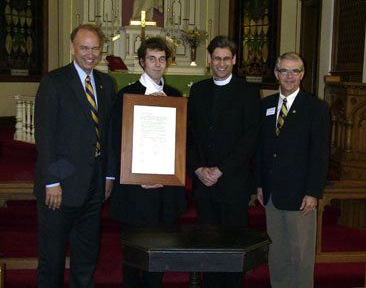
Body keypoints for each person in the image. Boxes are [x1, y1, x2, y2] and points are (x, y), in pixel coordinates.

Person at [34, 24, 116, 287]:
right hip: (59, 188)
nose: (90, 54)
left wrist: (109, 176)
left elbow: (109, 135)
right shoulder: (54, 82)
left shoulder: (105, 84)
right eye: (84, 47)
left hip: (93, 187)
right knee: (53, 260)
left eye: (95, 48)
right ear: (72, 48)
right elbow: (45, 135)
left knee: (86, 258)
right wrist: (52, 181)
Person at [108, 37, 187, 288]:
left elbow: (182, 144)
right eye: (152, 58)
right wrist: (139, 176)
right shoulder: (126, 95)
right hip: (135, 190)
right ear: (142, 61)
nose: (157, 64)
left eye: (162, 59)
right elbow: (116, 140)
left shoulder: (175, 97)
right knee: (133, 253)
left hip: (165, 191)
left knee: (160, 252)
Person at [187, 36, 260, 288]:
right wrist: (197, 168)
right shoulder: (198, 90)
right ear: (209, 59)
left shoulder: (248, 91)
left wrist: (221, 170)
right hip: (204, 184)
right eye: (216, 58)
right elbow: (190, 135)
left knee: (233, 247)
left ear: (234, 60)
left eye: (226, 58)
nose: (221, 63)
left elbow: (250, 138)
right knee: (207, 245)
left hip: (233, 183)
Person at [255, 52, 330, 288]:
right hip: (271, 193)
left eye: (294, 71)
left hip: (301, 195)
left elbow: (320, 154)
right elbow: (261, 149)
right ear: (276, 74)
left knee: (300, 255)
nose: (289, 76)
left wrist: (313, 192)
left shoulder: (315, 108)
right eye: (284, 71)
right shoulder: (265, 105)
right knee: (276, 252)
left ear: (302, 74)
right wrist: (258, 184)